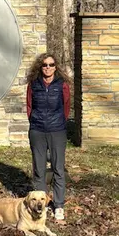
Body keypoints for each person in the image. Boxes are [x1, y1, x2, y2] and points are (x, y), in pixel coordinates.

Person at [26, 53, 71, 221]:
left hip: (57, 130)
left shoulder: (62, 85)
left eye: (51, 64)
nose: (48, 67)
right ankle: (41, 205)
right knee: (39, 169)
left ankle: (58, 205)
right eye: (45, 64)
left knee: (58, 168)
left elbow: (66, 107)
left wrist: (58, 122)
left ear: (56, 67)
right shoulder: (33, 84)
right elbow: (29, 106)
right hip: (37, 130)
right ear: (40, 66)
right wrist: (35, 122)